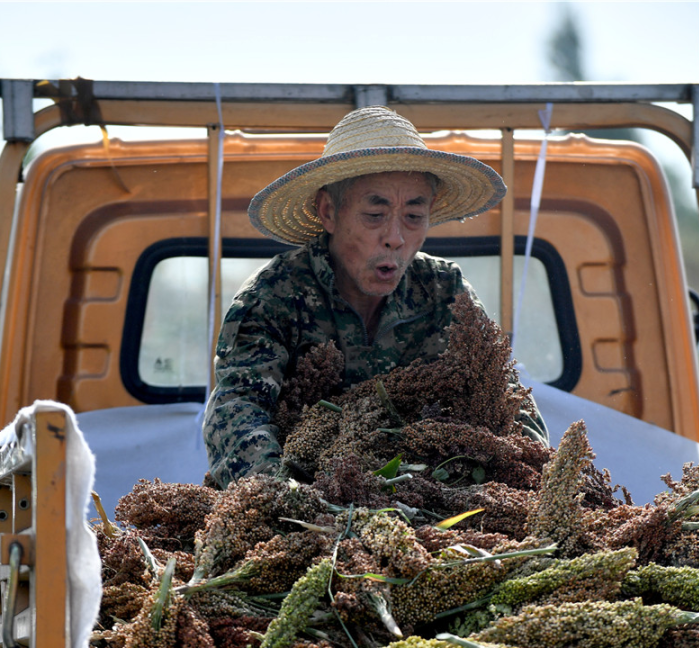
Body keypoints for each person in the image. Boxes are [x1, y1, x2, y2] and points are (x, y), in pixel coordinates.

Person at [203, 107, 548, 488]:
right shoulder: (273, 298)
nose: (396, 238)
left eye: (413, 217)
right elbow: (237, 414)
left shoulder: (444, 292)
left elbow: (507, 399)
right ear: (329, 212)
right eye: (375, 214)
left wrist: (525, 477)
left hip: (425, 497)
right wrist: (288, 499)